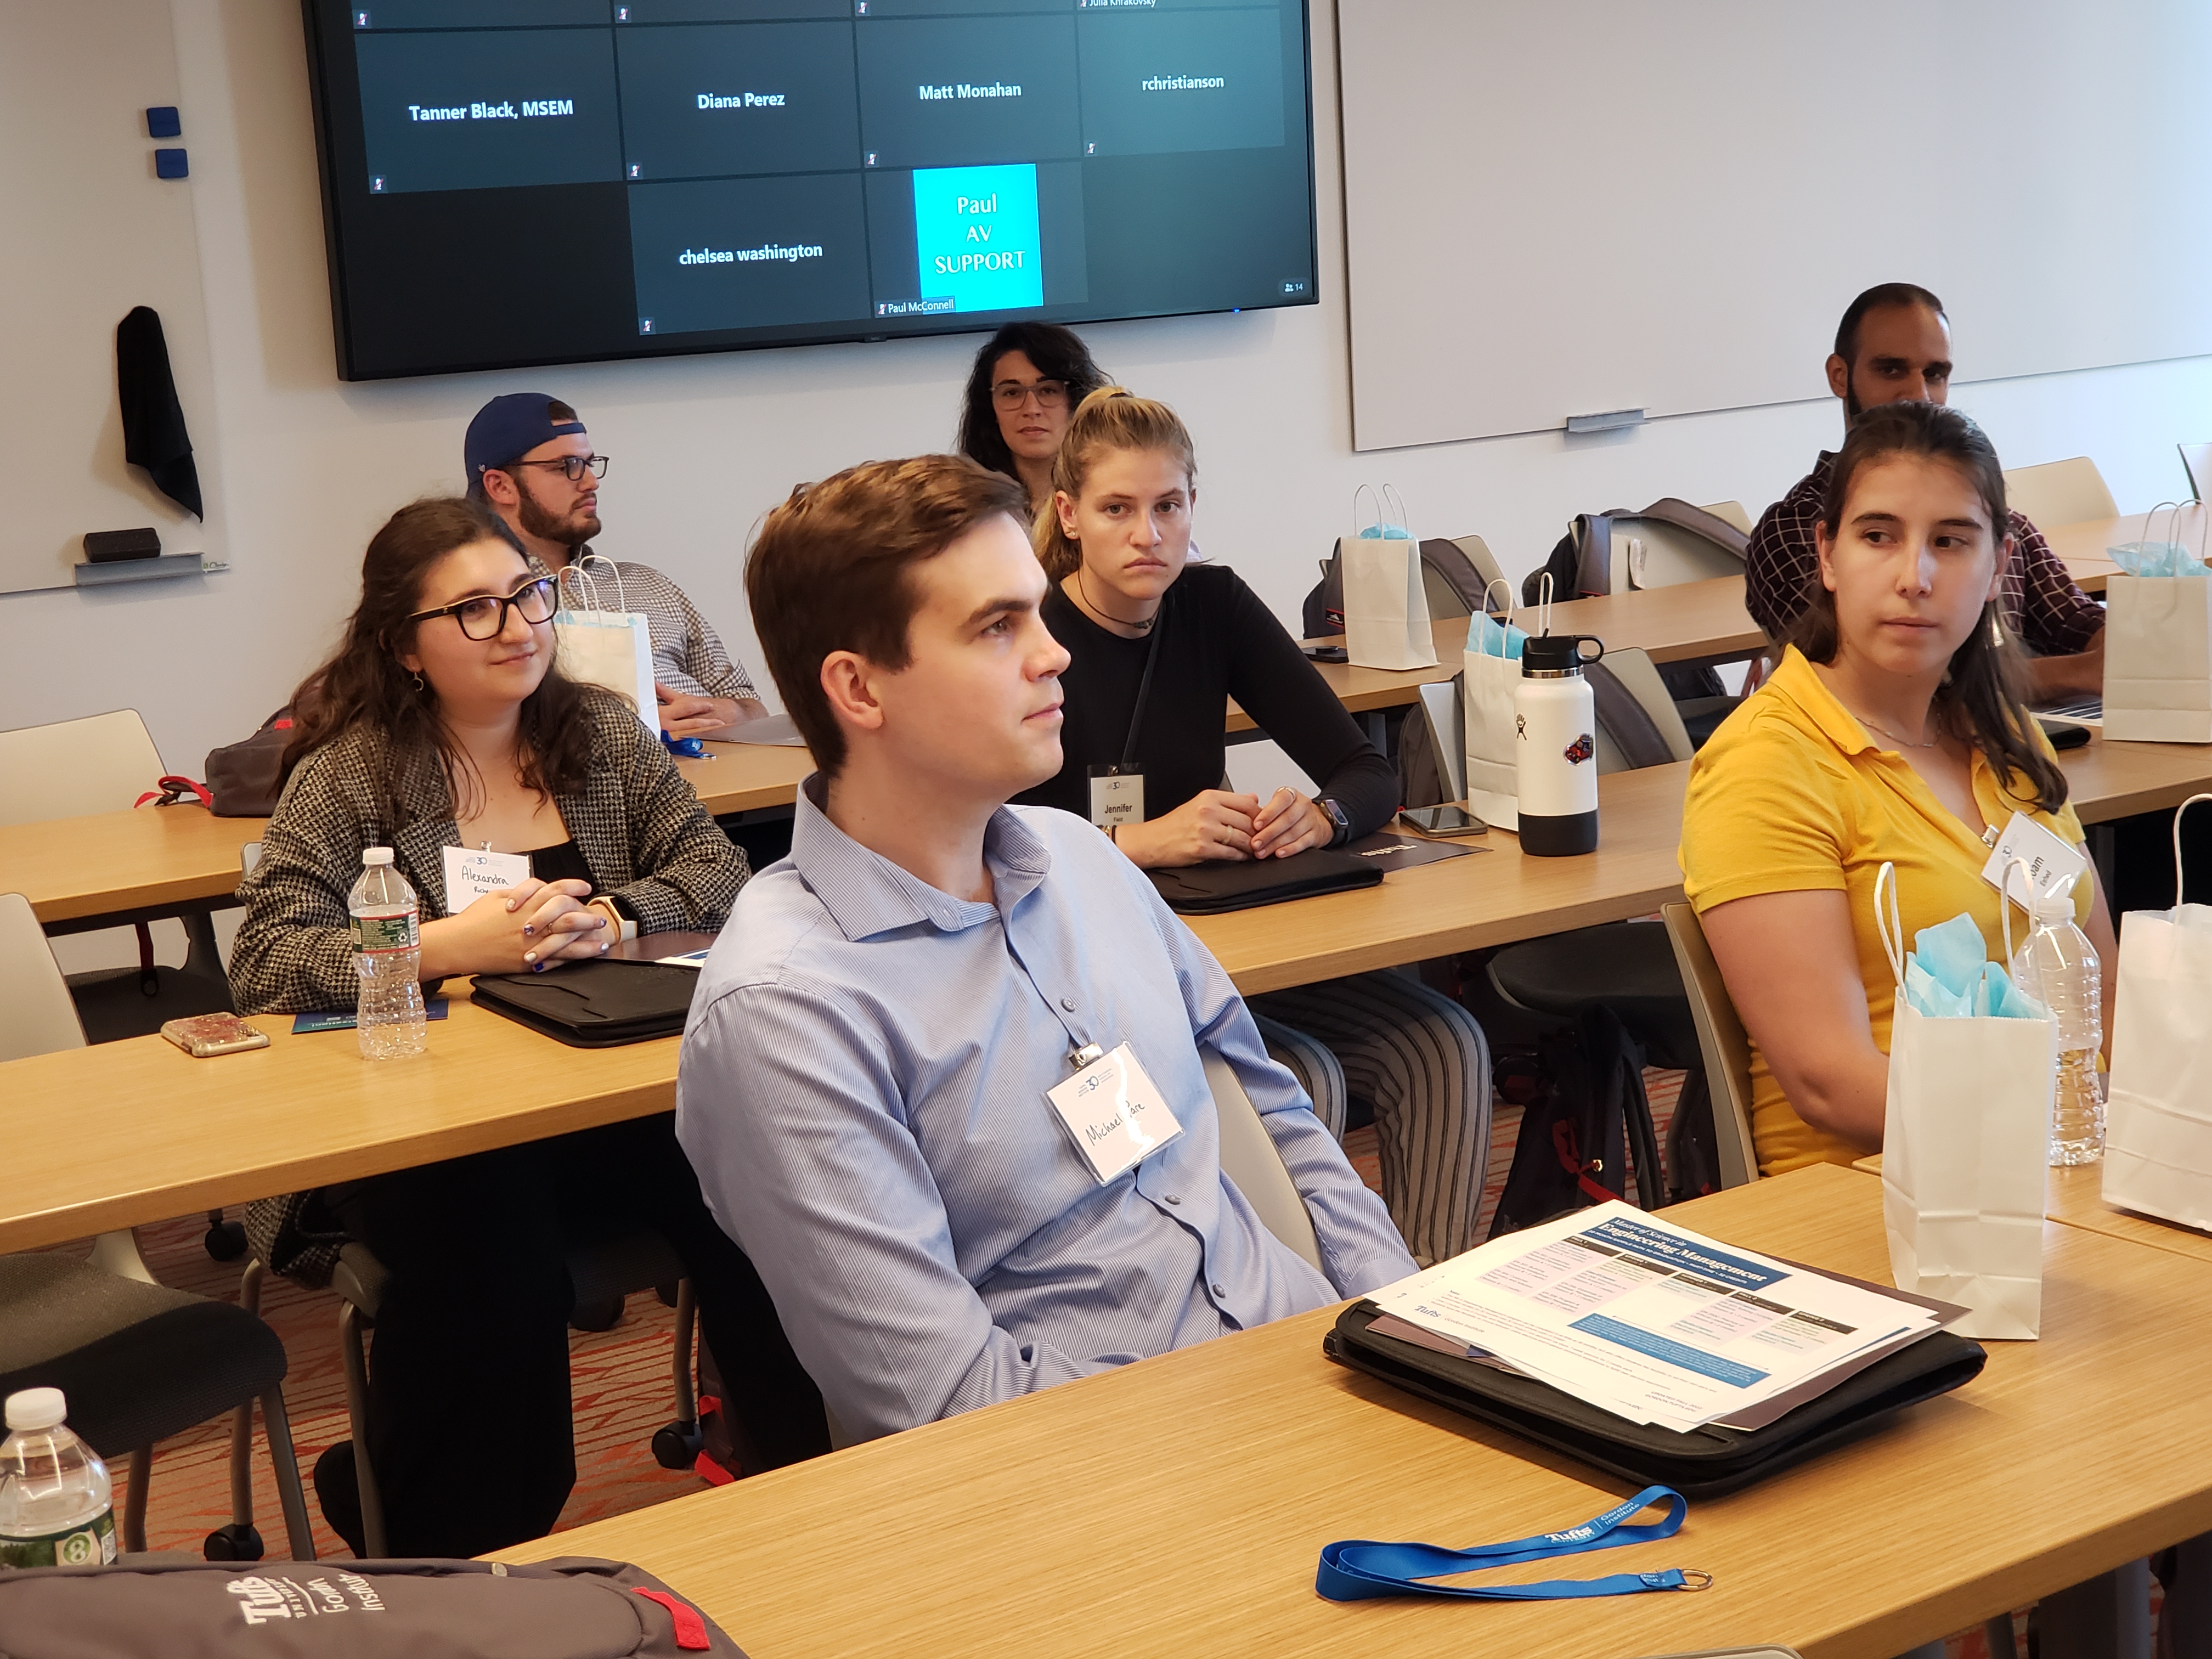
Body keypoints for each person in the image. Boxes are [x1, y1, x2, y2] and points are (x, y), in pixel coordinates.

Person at [675, 453, 1417, 1443]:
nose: (1054, 652)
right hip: (1115, 1477)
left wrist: (1401, 1329)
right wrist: (1251, 1433)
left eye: (1036, 610)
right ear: (858, 688)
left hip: (1315, 1373)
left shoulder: (1083, 862)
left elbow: (1275, 1111)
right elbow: (947, 1405)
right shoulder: (787, 1006)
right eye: (997, 626)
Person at [232, 497, 826, 1557]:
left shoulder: (595, 730)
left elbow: (717, 870)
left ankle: (810, 1477)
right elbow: (269, 961)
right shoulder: (350, 772)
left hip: (599, 1097)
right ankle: (438, 1537)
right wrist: (447, 946)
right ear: (400, 647)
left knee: (759, 1176)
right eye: (473, 610)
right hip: (431, 1131)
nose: (517, 626)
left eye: (527, 594)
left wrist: (612, 912)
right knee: (489, 1251)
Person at [1014, 388, 1492, 1265]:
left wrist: (1320, 816)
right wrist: (1133, 844)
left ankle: (1427, 1301)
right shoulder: (1031, 635)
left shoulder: (1213, 605)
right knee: (1305, 1076)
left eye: (1169, 507)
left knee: (1446, 1042)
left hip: (1232, 952)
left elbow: (1369, 771)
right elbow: (991, 846)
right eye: (1118, 509)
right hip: (1094, 983)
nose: (1148, 534)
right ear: (1069, 515)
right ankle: (1296, 1335)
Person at [1681, 402, 2119, 1177]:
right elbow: (1832, 1085)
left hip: (2056, 1166)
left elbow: (2105, 1000)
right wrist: (2060, 1130)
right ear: (1827, 555)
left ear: (1996, 568)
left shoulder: (2006, 735)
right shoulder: (1767, 764)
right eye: (1878, 536)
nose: (1914, 577)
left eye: (1950, 542)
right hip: (1883, 1199)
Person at [1746, 284, 2105, 702]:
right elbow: (1900, 683)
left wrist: (2134, 653)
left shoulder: (1988, 518)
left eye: (1935, 374)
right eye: (1891, 370)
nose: (1918, 393)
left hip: (2012, 743)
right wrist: (2082, 672)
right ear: (1840, 376)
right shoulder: (1794, 529)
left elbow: (2080, 621)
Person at [465, 392, 767, 741]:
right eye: (567, 467)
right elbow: (483, 731)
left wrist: (723, 711)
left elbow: (753, 705)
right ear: (501, 486)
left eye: (590, 464)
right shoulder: (487, 607)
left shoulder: (648, 584)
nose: (590, 481)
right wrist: (638, 733)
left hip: (732, 773)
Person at [955, 322, 1110, 514]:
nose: (1032, 409)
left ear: (1078, 400)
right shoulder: (967, 511)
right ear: (990, 408)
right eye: (1012, 393)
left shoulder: (1111, 498)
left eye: (1048, 390)